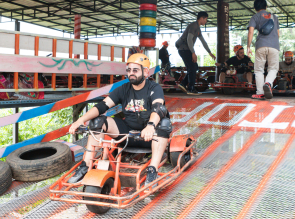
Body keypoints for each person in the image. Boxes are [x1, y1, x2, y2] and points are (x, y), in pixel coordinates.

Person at [68, 53, 172, 186]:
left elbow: (158, 107)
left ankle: (152, 170)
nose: (131, 73)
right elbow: (102, 106)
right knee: (97, 121)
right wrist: (80, 120)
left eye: (135, 70)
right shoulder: (123, 89)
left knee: (164, 122)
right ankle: (85, 166)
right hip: (127, 136)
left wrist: (151, 126)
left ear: (145, 71)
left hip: (149, 138)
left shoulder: (154, 88)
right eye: (128, 70)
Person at [175, 11, 216, 95]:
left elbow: (203, 41)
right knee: (192, 68)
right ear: (201, 18)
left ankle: (183, 84)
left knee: (194, 67)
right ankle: (191, 89)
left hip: (187, 49)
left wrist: (210, 52)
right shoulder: (193, 26)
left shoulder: (198, 29)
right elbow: (189, 39)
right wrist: (193, 53)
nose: (206, 21)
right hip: (183, 49)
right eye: (206, 19)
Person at [247, 0, 280, 100]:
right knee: (273, 68)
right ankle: (268, 83)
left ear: (255, 8)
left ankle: (260, 92)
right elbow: (278, 34)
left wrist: (248, 46)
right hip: (274, 45)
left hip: (261, 45)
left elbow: (251, 32)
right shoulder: (274, 17)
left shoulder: (255, 17)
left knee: (259, 70)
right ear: (266, 7)